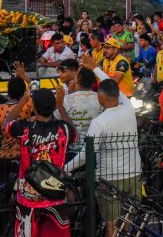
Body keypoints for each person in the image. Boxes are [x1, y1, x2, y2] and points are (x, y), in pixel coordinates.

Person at [65, 79, 140, 237]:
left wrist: (65, 168)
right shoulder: (129, 109)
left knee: (111, 227)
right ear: (117, 94)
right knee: (127, 223)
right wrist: (96, 68)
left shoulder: (99, 122)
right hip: (134, 175)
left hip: (110, 181)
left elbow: (87, 154)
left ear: (100, 97)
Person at [5, 86, 77, 237]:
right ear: (53, 108)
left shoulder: (23, 128)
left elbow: (7, 123)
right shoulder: (63, 129)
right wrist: (61, 106)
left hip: (27, 200)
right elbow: (74, 132)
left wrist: (23, 99)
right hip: (55, 197)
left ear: (34, 107)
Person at [0, 63, 33, 181]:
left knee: (3, 188)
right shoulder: (28, 105)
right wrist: (26, 78)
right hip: (23, 155)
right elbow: (37, 91)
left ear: (8, 92)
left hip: (4, 155)